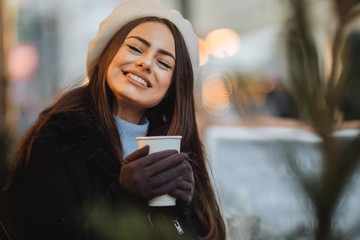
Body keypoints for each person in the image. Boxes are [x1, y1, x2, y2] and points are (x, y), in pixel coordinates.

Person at [5, 0, 226, 239]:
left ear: (173, 87)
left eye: (163, 63)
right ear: (108, 53)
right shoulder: (56, 141)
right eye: (135, 48)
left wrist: (179, 214)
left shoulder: (176, 151)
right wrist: (123, 197)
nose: (146, 63)